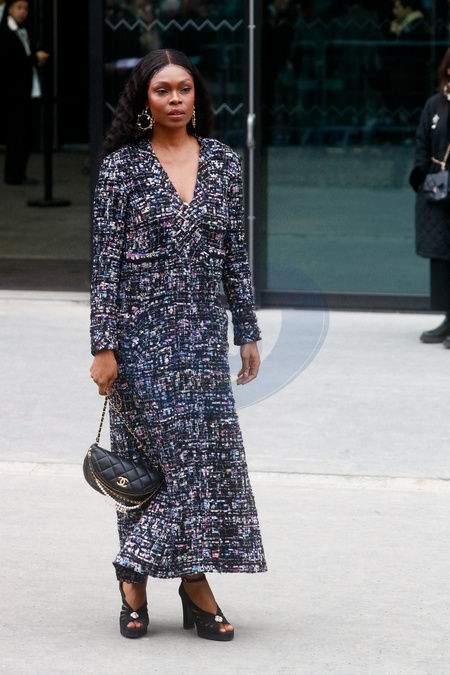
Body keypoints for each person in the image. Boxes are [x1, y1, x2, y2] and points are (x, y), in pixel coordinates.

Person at [89, 48, 267, 641]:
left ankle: (141, 572)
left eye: (183, 89)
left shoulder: (223, 163)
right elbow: (106, 264)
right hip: (138, 339)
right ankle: (177, 584)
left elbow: (234, 254)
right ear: (144, 98)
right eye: (162, 90)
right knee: (154, 466)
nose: (174, 99)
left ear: (197, 96)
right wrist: (103, 345)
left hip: (201, 338)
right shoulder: (122, 168)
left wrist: (246, 329)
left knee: (203, 462)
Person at [409, 47, 450, 346]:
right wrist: (422, 178)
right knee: (442, 259)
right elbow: (422, 143)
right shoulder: (435, 104)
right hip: (438, 191)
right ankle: (448, 318)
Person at [0, 0, 49, 185]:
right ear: (10, 9)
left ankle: (19, 173)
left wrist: (35, 59)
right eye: (19, 8)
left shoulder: (22, 30)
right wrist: (34, 58)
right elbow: (10, 61)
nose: (23, 12)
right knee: (17, 135)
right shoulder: (6, 32)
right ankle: (14, 175)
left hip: (24, 90)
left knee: (23, 134)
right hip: (13, 92)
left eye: (26, 8)